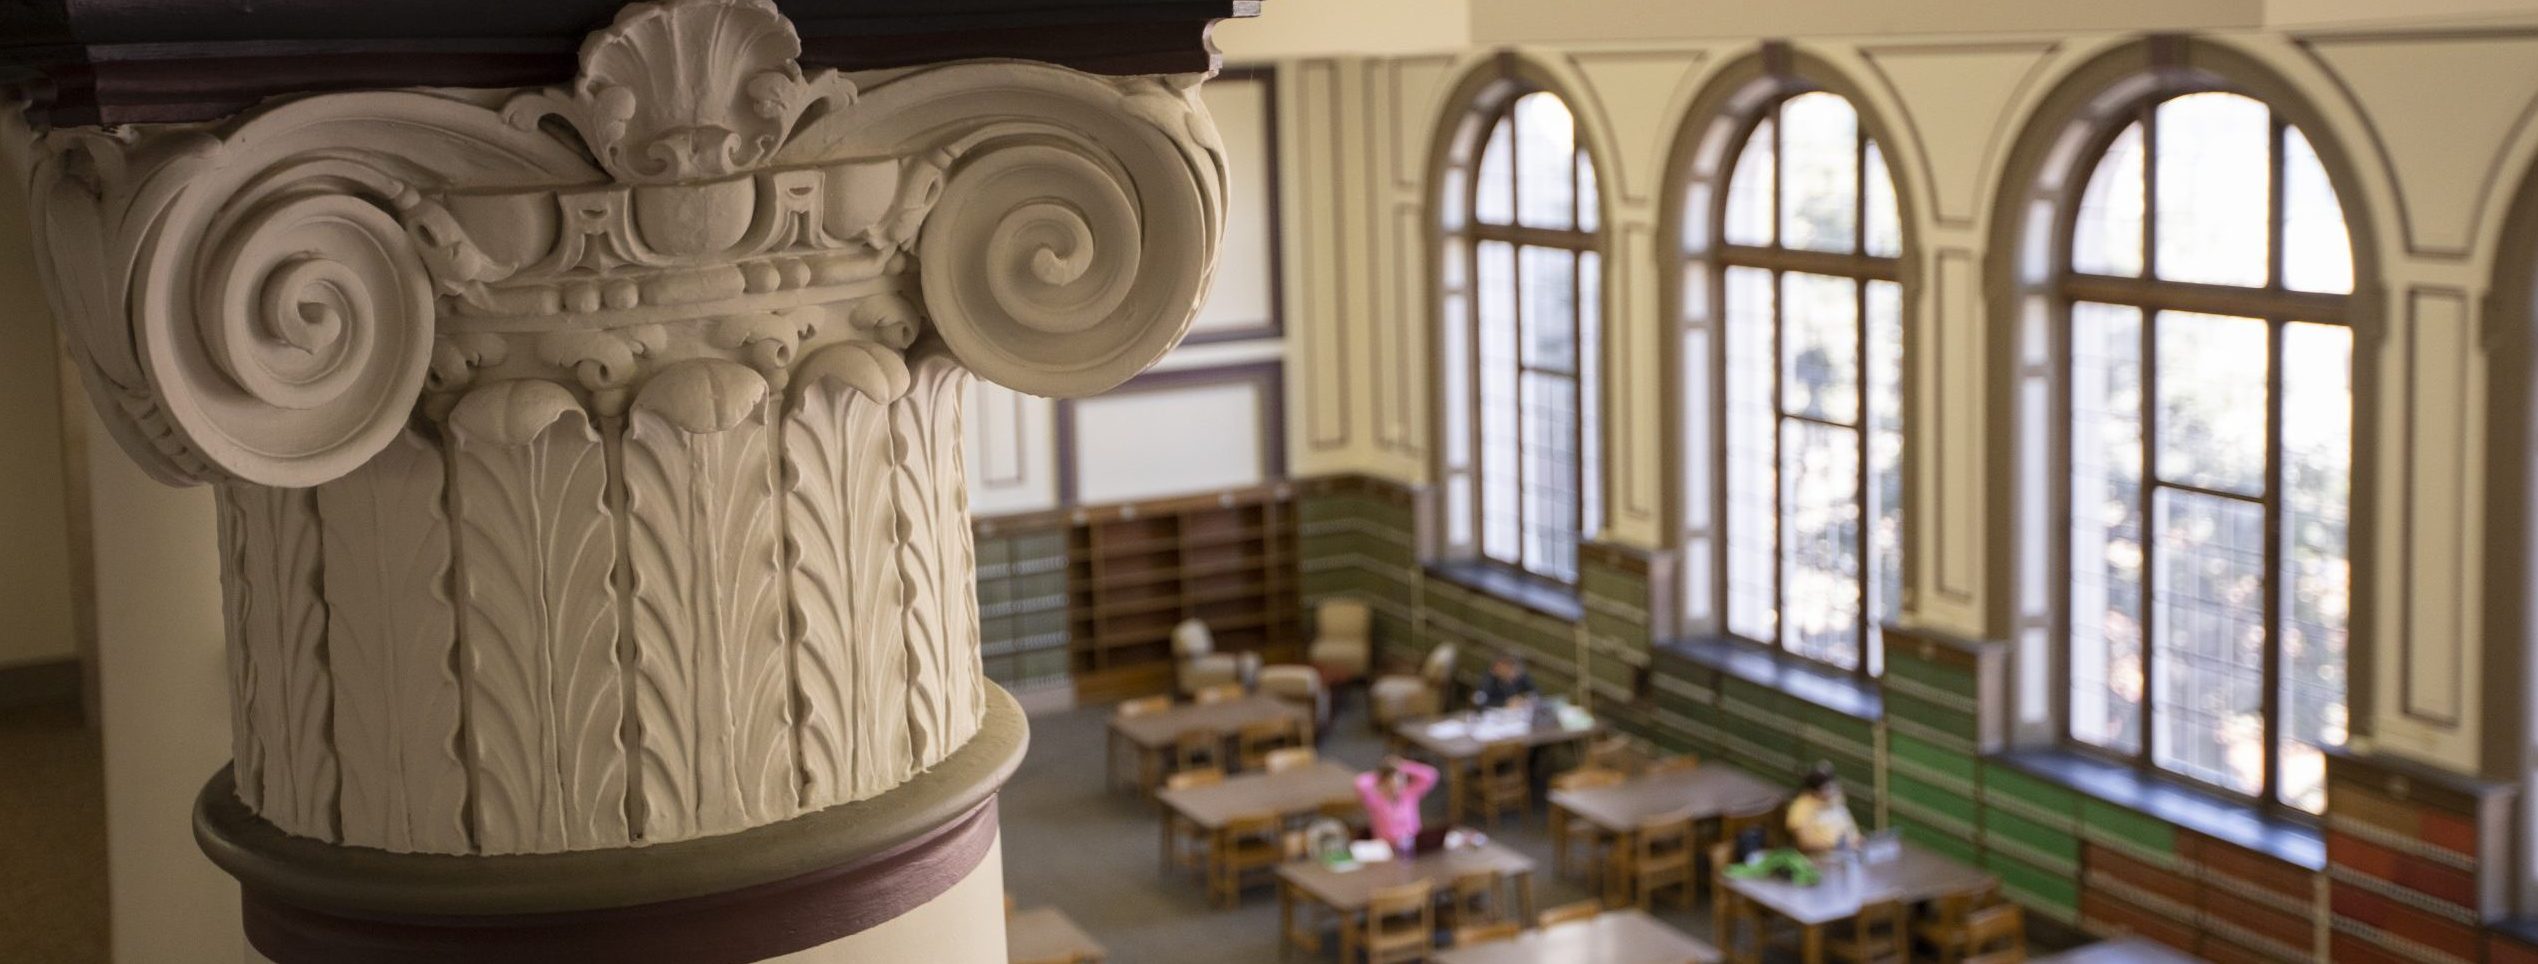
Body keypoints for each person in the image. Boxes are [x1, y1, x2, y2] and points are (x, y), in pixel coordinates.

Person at [1355, 756, 1439, 855]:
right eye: (1393, 779)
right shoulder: (1375, 799)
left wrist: (1403, 765)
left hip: (1412, 845)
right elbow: (1360, 783)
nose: (1399, 783)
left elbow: (1431, 774)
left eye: (1401, 778)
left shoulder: (1410, 795)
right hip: (1386, 849)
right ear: (1384, 782)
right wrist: (1383, 771)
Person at [1786, 762, 1862, 854]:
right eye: (1826, 788)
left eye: (1833, 785)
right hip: (1824, 856)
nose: (1832, 790)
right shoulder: (1801, 808)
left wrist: (1856, 840)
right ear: (1813, 791)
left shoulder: (1836, 800)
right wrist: (1834, 846)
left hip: (1850, 852)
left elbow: (1851, 830)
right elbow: (1805, 843)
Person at [1471, 655, 1539, 710]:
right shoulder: (1488, 680)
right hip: (1495, 715)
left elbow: (1534, 691)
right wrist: (1504, 704)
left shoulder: (1520, 676)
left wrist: (1524, 699)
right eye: (1509, 670)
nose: (1512, 675)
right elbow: (1479, 702)